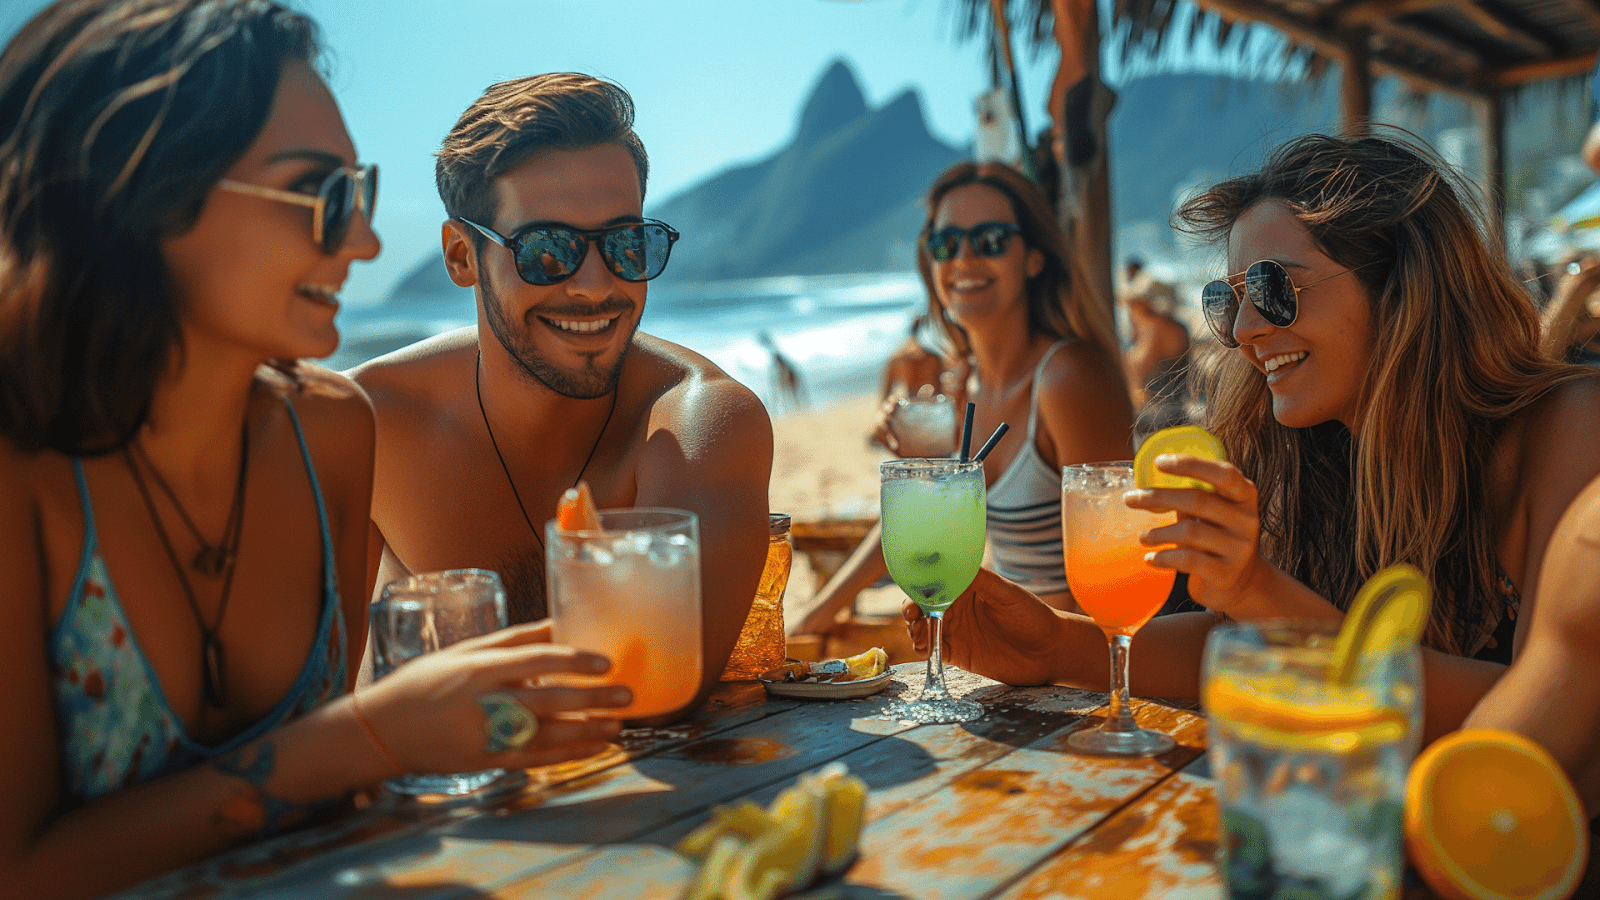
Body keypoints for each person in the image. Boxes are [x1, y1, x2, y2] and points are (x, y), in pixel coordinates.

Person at [0, 3, 631, 896]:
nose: (365, 240)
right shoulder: (21, 470)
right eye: (320, 195)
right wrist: (377, 735)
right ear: (137, 193)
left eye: (361, 194)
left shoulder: (329, 432)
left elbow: (327, 816)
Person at [906, 131, 1600, 742]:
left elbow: (1541, 719)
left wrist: (1258, 590)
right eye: (1228, 297)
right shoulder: (1313, 454)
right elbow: (1252, 644)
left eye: (1271, 287)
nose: (1242, 330)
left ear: (1402, 283)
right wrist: (1058, 646)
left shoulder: (1569, 430)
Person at [350, 74, 772, 715]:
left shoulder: (698, 424)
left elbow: (651, 692)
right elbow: (308, 707)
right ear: (463, 256)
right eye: (549, 251)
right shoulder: (370, 425)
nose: (596, 285)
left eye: (627, 245)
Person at [790, 160, 1134, 635]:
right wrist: (813, 617)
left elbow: (1118, 578)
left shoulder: (1066, 379)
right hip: (1005, 657)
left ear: (1034, 257)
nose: (964, 259)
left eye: (990, 240)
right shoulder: (956, 387)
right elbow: (919, 525)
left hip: (1074, 665)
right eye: (946, 244)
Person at [1119, 256, 1191, 435]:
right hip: (1171, 409)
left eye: (1134, 304)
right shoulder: (1172, 325)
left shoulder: (1158, 327)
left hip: (1166, 413)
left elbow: (1137, 365)